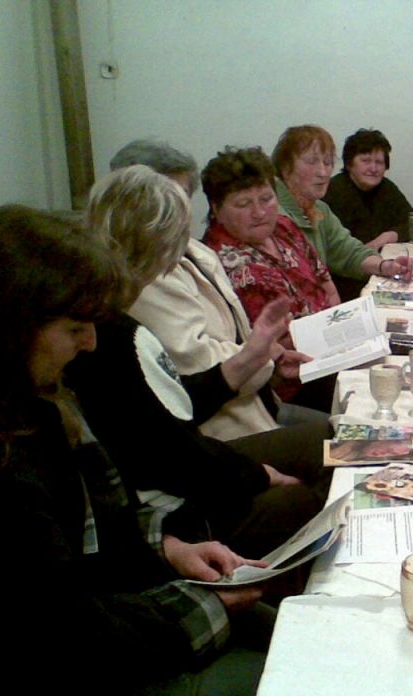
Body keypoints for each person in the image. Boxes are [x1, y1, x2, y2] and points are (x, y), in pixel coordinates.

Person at [0, 205, 268, 696]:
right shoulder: (4, 466)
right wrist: (209, 608)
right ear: (13, 328)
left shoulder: (37, 404)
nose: (91, 343)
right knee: (291, 684)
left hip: (103, 640)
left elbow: (98, 532)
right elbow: (70, 637)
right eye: (74, 328)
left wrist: (170, 549)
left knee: (285, 630)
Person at [73, 166, 334, 560]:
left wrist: (257, 353)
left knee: (333, 442)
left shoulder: (115, 311)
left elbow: (176, 409)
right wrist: (257, 473)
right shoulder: (112, 331)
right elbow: (169, 451)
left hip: (198, 454)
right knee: (321, 479)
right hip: (181, 502)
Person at [110, 139, 315, 440]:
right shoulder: (146, 274)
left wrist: (270, 357)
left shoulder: (195, 251)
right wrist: (263, 354)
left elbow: (236, 337)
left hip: (259, 402)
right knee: (343, 440)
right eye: (166, 196)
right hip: (226, 426)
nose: (178, 207)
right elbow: (197, 362)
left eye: (182, 195)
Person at [201, 145, 340, 406]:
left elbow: (325, 281)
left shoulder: (283, 227)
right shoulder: (222, 262)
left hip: (332, 350)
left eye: (266, 199)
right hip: (291, 382)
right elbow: (270, 344)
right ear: (216, 209)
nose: (259, 213)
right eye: (243, 204)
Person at [272, 124, 412, 301]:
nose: (323, 172)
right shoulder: (271, 214)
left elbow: (348, 252)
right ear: (286, 167)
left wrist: (385, 266)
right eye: (312, 162)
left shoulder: (319, 209)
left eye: (327, 162)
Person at [323, 128, 413, 250]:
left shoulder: (387, 188)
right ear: (349, 164)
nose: (373, 168)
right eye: (365, 161)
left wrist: (389, 236)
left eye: (379, 162)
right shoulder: (332, 191)